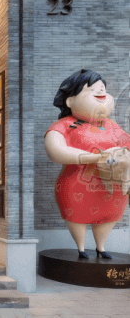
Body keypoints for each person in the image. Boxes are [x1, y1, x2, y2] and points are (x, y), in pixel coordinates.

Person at [44, 69, 130, 260]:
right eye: (92, 90)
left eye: (103, 90)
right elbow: (55, 149)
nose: (101, 92)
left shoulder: (111, 125)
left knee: (108, 215)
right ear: (70, 101)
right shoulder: (64, 125)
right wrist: (92, 158)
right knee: (78, 215)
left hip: (112, 186)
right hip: (77, 183)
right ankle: (81, 248)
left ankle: (101, 247)